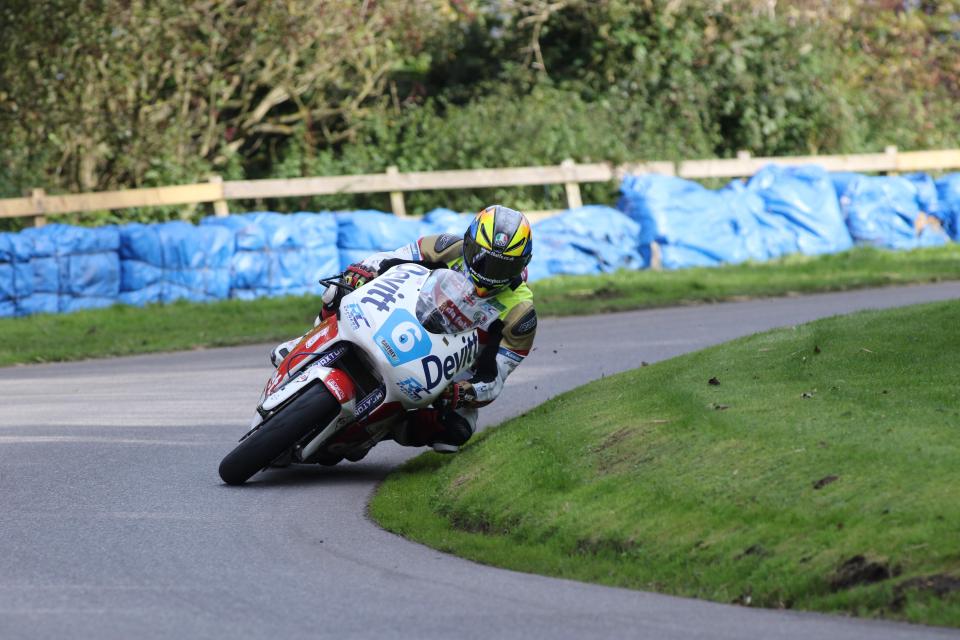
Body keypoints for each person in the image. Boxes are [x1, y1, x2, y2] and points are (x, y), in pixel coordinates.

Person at [271, 204, 537, 455]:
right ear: (469, 242)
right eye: (482, 258)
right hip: (401, 313)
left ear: (522, 264)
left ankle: (383, 428)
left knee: (456, 432)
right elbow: (389, 259)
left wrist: (466, 391)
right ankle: (305, 342)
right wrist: (362, 271)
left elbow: (495, 378)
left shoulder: (521, 314)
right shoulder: (445, 246)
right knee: (337, 290)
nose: (488, 272)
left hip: (449, 369)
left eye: (503, 266)